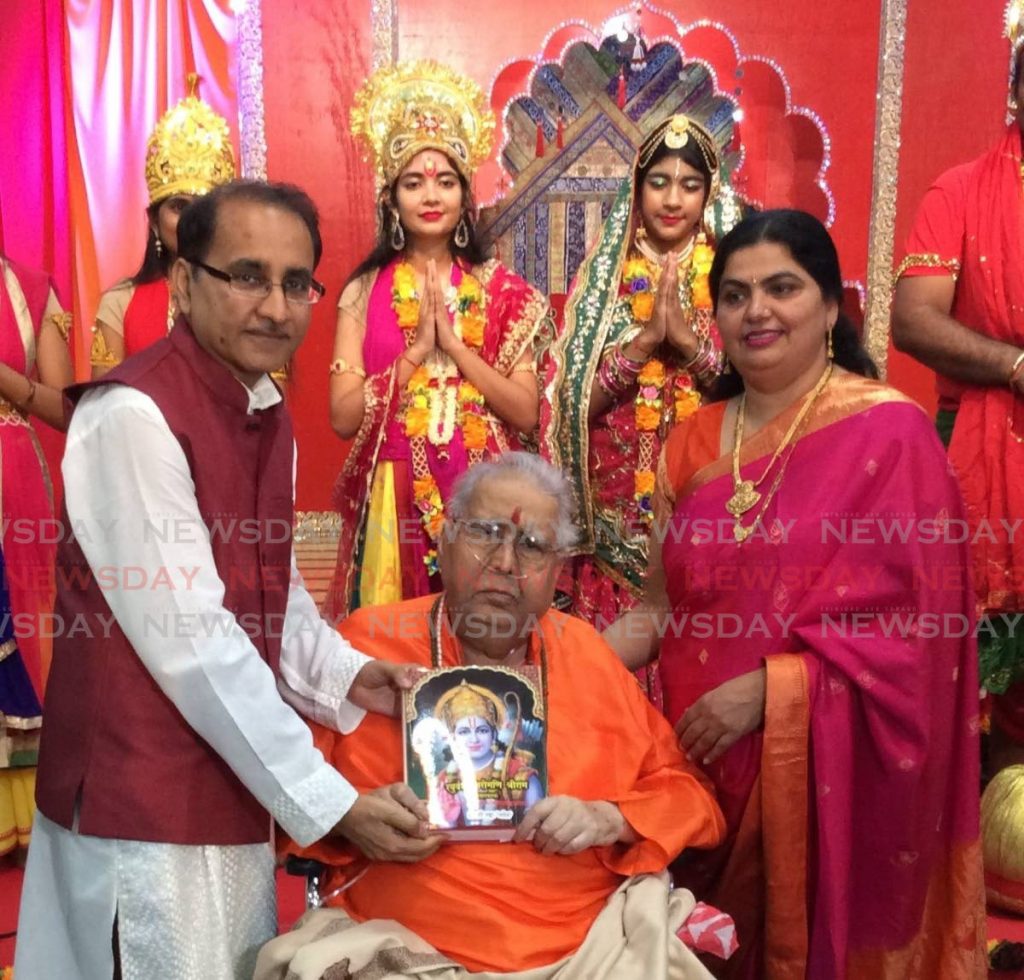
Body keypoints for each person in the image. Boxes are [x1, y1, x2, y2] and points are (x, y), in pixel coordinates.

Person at [16, 181, 443, 980]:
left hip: (229, 781)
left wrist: (356, 676)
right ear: (184, 282)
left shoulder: (264, 408)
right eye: (246, 276)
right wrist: (332, 801)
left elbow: (268, 592)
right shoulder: (133, 415)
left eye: (295, 283)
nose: (276, 307)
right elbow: (193, 638)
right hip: (139, 802)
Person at [605, 210, 987, 977]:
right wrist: (559, 663)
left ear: (831, 306)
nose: (758, 311)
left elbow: (927, 630)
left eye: (783, 288)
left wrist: (774, 692)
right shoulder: (694, 438)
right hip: (700, 767)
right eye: (737, 295)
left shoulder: (892, 435)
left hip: (833, 779)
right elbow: (658, 608)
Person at [257, 453, 726, 979]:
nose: (505, 562)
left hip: (586, 952)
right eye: (485, 533)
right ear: (445, 540)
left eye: (532, 546)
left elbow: (690, 795)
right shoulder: (365, 648)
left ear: (558, 570)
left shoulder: (587, 657)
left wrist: (608, 819)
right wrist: (350, 815)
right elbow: (276, 798)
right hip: (403, 947)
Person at [323, 60, 551, 620]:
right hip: (394, 490)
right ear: (390, 198)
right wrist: (414, 356)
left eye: (446, 181)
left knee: (483, 636)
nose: (431, 195)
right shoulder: (364, 290)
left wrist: (456, 346)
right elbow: (342, 417)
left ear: (464, 195)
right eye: (413, 182)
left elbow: (525, 411)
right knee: (397, 640)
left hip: (484, 492)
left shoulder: (501, 291)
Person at [891, 33, 1024, 772]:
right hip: (982, 451)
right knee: (983, 673)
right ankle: (980, 852)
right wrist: (1015, 366)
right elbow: (914, 317)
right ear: (1014, 91)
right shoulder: (964, 191)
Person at [541, 114, 727, 634]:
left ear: (709, 195)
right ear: (638, 188)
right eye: (659, 182)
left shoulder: (728, 278)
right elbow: (570, 404)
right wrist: (641, 346)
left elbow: (751, 393)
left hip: (706, 510)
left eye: (690, 186)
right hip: (612, 527)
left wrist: (689, 347)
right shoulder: (606, 280)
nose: (672, 200)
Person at [90, 73, 235, 378]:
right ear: (154, 221)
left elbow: (266, 412)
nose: (193, 220)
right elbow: (105, 413)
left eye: (205, 206)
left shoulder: (250, 298)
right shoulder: (119, 303)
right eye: (179, 207)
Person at [0, 255, 73, 861]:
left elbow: (64, 406)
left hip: (14, 473)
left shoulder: (30, 290)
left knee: (23, 631)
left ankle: (23, 821)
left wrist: (4, 378)